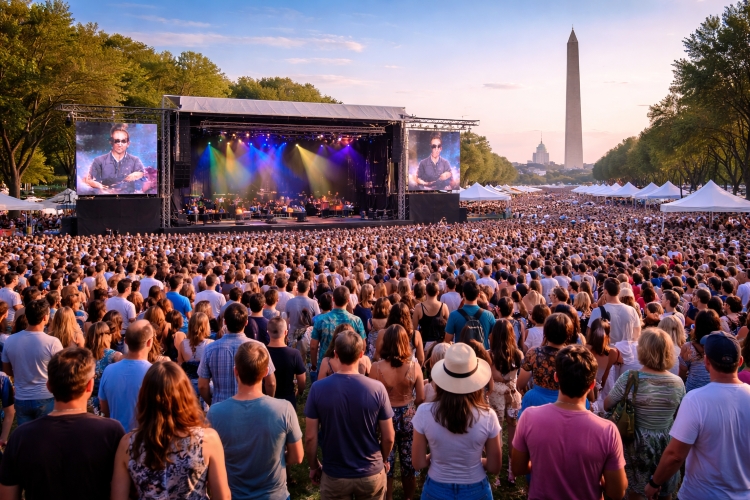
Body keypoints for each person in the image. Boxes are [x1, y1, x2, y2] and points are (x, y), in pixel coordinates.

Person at [0, 347, 125, 499]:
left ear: (49, 386)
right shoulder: (112, 432)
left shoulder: (21, 436)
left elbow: (7, 495)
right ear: (90, 386)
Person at [512, 345, 627, 500]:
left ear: (556, 377)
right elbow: (617, 492)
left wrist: (541, 465)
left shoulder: (529, 417)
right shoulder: (608, 431)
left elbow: (518, 468)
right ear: (592, 384)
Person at [645, 331, 750, 500]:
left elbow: (675, 455)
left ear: (707, 362)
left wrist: (654, 483)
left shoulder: (695, 400)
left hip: (699, 494)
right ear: (740, 362)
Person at [111, 362, 231, 500]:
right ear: (185, 396)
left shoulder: (128, 444)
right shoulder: (207, 440)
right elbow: (223, 496)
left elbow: (117, 496)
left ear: (145, 397)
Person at [304, 330, 395, 500]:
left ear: (336, 354)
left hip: (335, 474)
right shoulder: (377, 389)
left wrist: (314, 465)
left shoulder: (318, 389)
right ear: (361, 354)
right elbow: (389, 436)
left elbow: (310, 437)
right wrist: (382, 459)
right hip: (371, 472)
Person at [208, 341, 303, 500]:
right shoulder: (283, 409)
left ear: (235, 371)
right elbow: (297, 456)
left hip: (234, 494)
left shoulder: (215, 413)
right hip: (275, 495)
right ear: (266, 371)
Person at [411, 342, 501, 499]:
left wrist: (433, 456)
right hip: (476, 489)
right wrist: (474, 460)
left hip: (436, 488)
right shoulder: (488, 416)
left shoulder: (424, 412)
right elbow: (494, 466)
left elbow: (418, 463)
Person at [604, 328, 685, 500]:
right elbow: (679, 415)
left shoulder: (630, 377)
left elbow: (607, 404)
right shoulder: (678, 383)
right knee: (665, 491)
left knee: (635, 492)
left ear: (643, 350)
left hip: (635, 443)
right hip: (666, 443)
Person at [369, 325, 425, 500]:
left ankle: (389, 497)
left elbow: (371, 398)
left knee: (387, 462)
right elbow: (421, 397)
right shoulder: (414, 366)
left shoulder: (376, 368)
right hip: (408, 415)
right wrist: (410, 406)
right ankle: (409, 497)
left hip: (385, 418)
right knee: (409, 464)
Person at [198, 302, 276, 406]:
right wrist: (267, 404)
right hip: (252, 407)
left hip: (221, 408)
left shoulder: (210, 349)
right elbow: (271, 383)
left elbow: (202, 385)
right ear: (246, 323)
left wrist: (212, 404)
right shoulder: (259, 347)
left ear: (225, 322)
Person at [1, 299, 62, 425]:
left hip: (21, 397)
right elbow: (60, 371)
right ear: (45, 317)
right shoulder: (53, 342)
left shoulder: (10, 341)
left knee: (27, 438)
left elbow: (7, 370)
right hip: (45, 396)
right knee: (45, 437)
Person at [98, 320, 153, 431]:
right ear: (149, 342)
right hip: (143, 439)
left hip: (116, 437)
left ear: (126, 341)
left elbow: (104, 408)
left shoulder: (109, 370)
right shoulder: (154, 373)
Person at [487, 319, 523, 485]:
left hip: (495, 397)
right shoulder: (518, 354)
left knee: (496, 435)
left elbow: (493, 376)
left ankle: (495, 476)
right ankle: (512, 473)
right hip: (513, 396)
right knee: (513, 434)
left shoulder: (490, 355)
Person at [310, 286, 366, 372]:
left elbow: (314, 346)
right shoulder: (356, 321)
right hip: (349, 366)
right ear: (348, 300)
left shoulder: (320, 320)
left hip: (325, 365)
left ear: (333, 299)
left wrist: (314, 364)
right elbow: (363, 345)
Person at [83, 123, 146, 194]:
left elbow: (143, 177)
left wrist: (137, 175)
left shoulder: (135, 161)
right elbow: (89, 180)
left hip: (129, 199)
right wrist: (98, 186)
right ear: (111, 142)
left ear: (128, 144)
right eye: (117, 141)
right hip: (104, 199)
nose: (120, 144)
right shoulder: (99, 161)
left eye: (123, 141)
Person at [266, 317, 306, 410]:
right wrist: (299, 391)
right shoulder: (294, 354)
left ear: (268, 332)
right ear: (285, 332)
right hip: (287, 400)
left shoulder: (262, 352)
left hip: (266, 399)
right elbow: (302, 381)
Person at [85, 321, 123, 415]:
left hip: (86, 402)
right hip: (106, 403)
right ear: (106, 336)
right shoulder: (115, 356)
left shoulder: (83, 355)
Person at [587, 278, 642, 343]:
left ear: (605, 291)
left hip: (607, 351)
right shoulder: (632, 310)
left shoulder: (597, 311)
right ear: (619, 291)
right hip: (627, 351)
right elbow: (637, 335)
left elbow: (589, 335)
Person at [445, 281, 496, 349]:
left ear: (463, 294)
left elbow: (447, 340)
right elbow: (494, 337)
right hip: (483, 356)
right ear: (478, 295)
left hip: (462, 355)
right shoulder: (489, 315)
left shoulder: (453, 315)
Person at [177, 312, 214, 407]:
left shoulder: (183, 344)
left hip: (188, 386)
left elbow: (180, 366)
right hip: (206, 385)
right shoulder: (211, 344)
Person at [679, 309, 719, 392]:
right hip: (715, 391)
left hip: (693, 391)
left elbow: (682, 375)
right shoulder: (722, 345)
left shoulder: (688, 347)